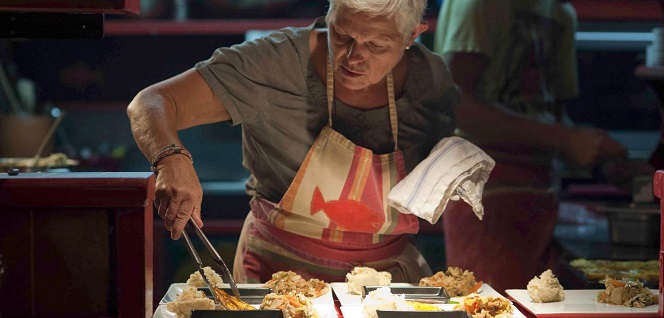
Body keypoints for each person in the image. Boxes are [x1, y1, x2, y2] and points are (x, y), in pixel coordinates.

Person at [127, 0, 458, 283]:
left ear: (412, 36)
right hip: (276, 275)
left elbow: (451, 150)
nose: (353, 58)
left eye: (377, 46)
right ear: (328, 13)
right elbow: (151, 102)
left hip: (388, 284)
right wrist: (172, 159)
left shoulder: (430, 77)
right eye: (342, 36)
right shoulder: (274, 63)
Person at [434, 0, 628, 294]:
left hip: (542, 189)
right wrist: (564, 139)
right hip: (484, 185)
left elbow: (548, 112)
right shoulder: (480, 5)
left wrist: (596, 154)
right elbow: (457, 106)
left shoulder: (561, 11)